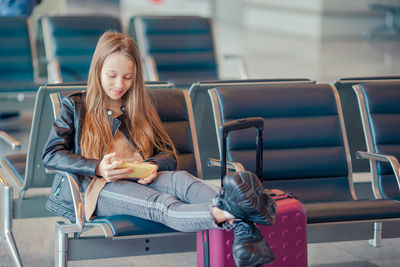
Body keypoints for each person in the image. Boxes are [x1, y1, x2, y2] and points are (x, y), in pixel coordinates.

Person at [42, 31, 275, 266]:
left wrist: (152, 165)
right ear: (97, 70)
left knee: (183, 179)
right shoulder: (76, 106)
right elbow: (51, 155)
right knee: (160, 204)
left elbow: (169, 156)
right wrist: (98, 167)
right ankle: (234, 213)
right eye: (112, 75)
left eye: (127, 77)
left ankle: (243, 214)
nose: (119, 85)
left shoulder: (139, 107)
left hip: (140, 177)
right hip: (98, 187)